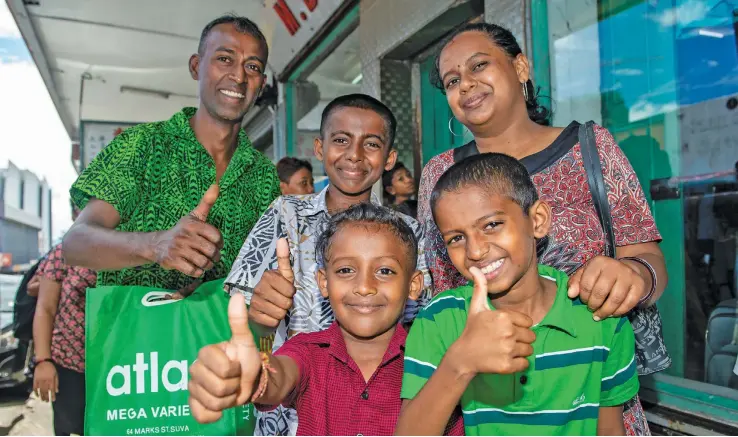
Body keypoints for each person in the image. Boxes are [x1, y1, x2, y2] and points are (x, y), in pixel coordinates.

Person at [417, 22, 667, 435]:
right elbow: (444, 293)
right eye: (452, 80)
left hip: (595, 397)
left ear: (520, 68)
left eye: (480, 65)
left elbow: (651, 258)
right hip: (489, 406)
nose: (466, 85)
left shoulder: (592, 148)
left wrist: (634, 275)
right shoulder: (441, 175)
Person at [225, 93, 433, 435]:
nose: (354, 154)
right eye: (341, 140)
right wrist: (258, 321)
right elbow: (249, 323)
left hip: (382, 414)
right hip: (285, 415)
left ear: (390, 157)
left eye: (371, 144)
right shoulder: (284, 214)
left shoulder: (409, 232)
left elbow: (418, 329)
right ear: (320, 149)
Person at [397, 153, 639, 435]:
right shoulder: (440, 320)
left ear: (537, 220)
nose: (475, 251)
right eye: (456, 238)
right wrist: (460, 362)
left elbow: (610, 430)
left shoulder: (600, 315)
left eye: (491, 225)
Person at [189, 204, 462, 435]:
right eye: (345, 270)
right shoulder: (308, 352)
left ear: (414, 285)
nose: (364, 286)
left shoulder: (439, 358)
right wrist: (249, 372)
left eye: (384, 270)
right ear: (323, 282)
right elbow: (276, 377)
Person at [62, 15, 280, 294]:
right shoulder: (142, 145)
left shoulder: (264, 175)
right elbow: (74, 245)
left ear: (261, 84)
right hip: (137, 334)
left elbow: (262, 271)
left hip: (226, 335)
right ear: (196, 66)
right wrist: (156, 245)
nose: (238, 77)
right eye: (225, 59)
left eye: (252, 66)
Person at [33, 242, 96, 436]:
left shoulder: (138, 246)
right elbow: (45, 308)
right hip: (71, 367)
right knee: (72, 428)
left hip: (124, 367)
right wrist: (43, 361)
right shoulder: (67, 251)